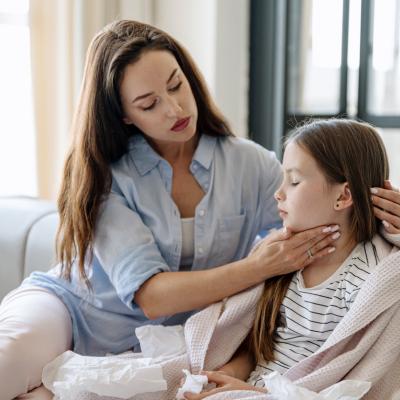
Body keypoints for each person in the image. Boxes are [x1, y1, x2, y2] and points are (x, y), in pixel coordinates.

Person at [0, 20, 398, 399]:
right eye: (149, 103)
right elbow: (151, 297)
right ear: (124, 115)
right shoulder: (104, 176)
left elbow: (324, 205)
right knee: (9, 364)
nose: (174, 109)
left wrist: (387, 213)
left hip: (164, 340)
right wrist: (257, 266)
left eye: (177, 85)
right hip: (73, 310)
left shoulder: (247, 165)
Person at [183, 119, 400, 399]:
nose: (279, 192)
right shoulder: (284, 259)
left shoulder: (369, 279)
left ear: (343, 195)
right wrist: (228, 374)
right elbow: (258, 347)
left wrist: (249, 392)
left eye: (294, 180)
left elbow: (341, 379)